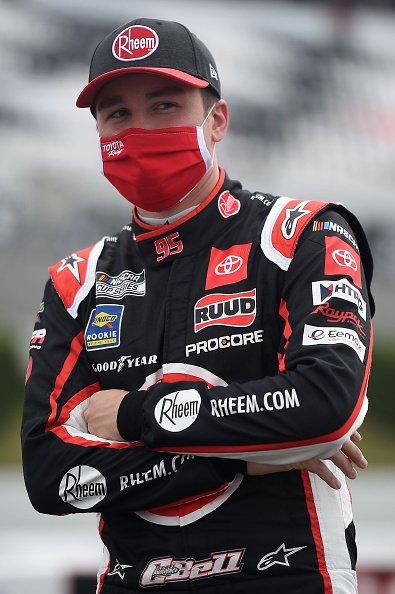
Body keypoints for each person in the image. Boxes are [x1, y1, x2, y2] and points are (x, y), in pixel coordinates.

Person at [21, 17, 375, 594]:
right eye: (118, 114)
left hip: (291, 578)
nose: (139, 129)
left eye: (164, 106)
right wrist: (245, 456)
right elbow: (53, 477)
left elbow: (325, 407)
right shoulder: (76, 281)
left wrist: (138, 417)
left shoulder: (302, 234)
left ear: (218, 120)